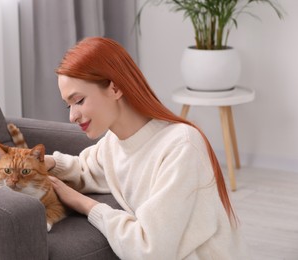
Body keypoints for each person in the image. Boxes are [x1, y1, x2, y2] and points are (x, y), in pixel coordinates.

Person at [45, 37, 249, 259]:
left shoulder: (181, 146)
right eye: (68, 105)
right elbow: (86, 170)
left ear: (114, 88)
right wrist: (48, 163)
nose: (72, 116)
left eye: (79, 101)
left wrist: (84, 204)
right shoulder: (114, 143)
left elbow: (149, 250)